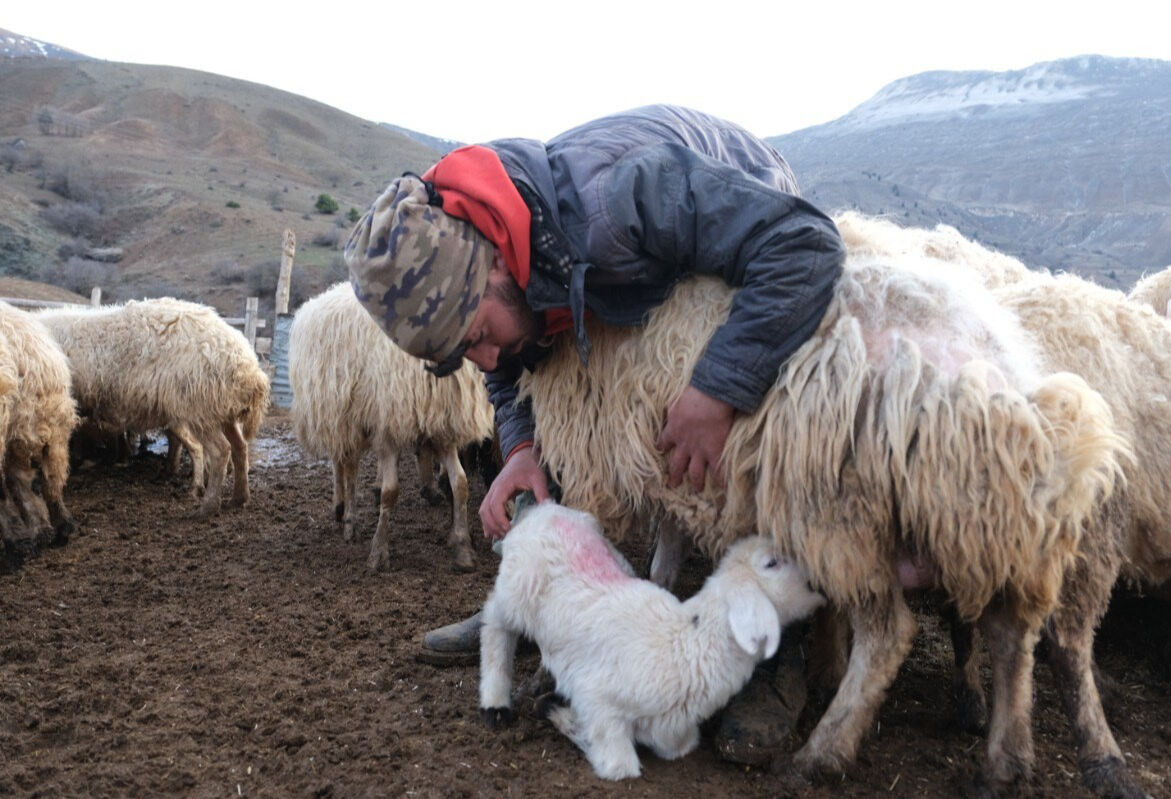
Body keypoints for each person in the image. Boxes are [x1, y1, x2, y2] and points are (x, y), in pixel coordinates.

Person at [344, 104, 845, 765]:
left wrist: (719, 388)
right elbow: (505, 363)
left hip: (745, 219)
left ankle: (779, 654)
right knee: (580, 417)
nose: (486, 361)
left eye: (476, 337)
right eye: (466, 354)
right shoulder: (502, 260)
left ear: (495, 266)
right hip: (612, 278)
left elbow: (804, 244)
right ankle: (554, 610)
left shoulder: (625, 200)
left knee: (752, 421)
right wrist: (519, 444)